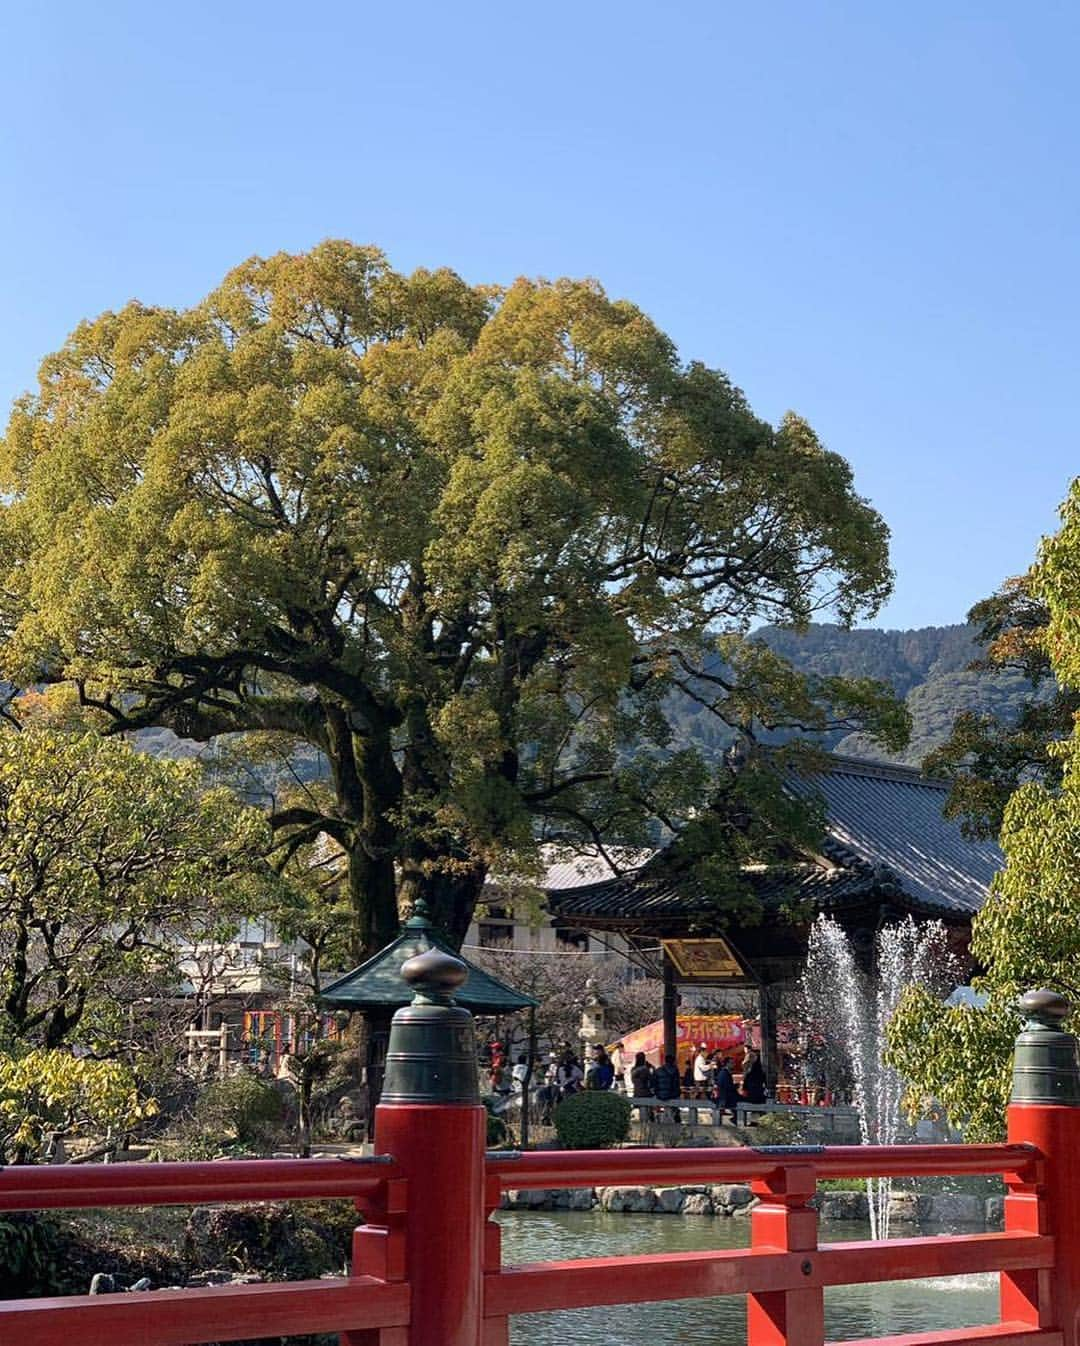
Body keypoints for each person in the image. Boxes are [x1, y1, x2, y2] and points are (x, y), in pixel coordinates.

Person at [653, 1052, 682, 1122]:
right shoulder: (675, 1070)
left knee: (666, 1110)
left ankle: (662, 1119)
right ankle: (674, 1118)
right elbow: (676, 1084)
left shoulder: (658, 1070)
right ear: (673, 1061)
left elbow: (654, 1083)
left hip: (660, 1096)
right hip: (672, 1095)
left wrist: (657, 1093)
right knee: (673, 1109)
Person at [713, 1056, 740, 1120]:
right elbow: (727, 1086)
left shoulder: (724, 1072)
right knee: (739, 1101)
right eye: (732, 1063)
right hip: (725, 1097)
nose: (734, 1064)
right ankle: (735, 1118)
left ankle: (735, 1118)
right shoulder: (725, 1073)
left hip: (724, 1095)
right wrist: (736, 1086)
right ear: (727, 1063)